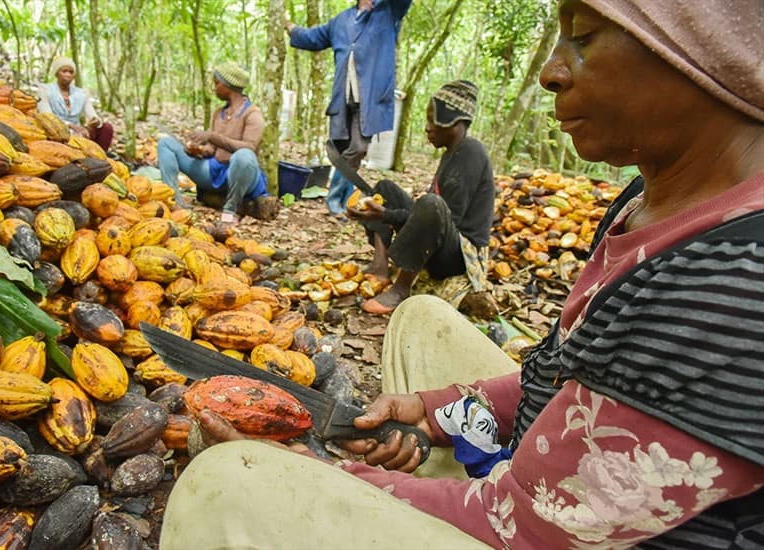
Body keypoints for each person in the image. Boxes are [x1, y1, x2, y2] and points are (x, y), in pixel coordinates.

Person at [160, 0, 764, 547]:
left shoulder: (731, 285)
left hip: (535, 529)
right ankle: (456, 467)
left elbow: (523, 526)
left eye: (583, 35)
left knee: (227, 487)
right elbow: (554, 374)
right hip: (548, 478)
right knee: (421, 319)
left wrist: (320, 475)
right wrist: (431, 412)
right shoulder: (648, 198)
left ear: (707, 60)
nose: (551, 71)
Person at [348, 80, 494, 315]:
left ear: (453, 121)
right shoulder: (451, 153)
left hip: (459, 256)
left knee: (430, 204)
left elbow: (443, 218)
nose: (427, 128)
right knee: (385, 189)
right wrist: (384, 212)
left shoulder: (470, 152)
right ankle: (380, 264)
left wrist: (386, 215)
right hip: (442, 236)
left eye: (432, 119)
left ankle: (401, 288)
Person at [285, 0, 412, 218]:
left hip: (371, 100)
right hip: (343, 99)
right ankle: (345, 202)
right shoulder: (341, 20)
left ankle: (334, 201)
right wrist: (289, 27)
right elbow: (313, 37)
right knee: (344, 153)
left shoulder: (388, 11)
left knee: (358, 148)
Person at [157, 61, 275, 221]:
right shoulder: (219, 113)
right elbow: (212, 150)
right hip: (214, 172)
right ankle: (173, 202)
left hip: (243, 176)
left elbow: (250, 147)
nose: (214, 88)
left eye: (217, 83)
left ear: (228, 85)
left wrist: (212, 136)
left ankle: (230, 209)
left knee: (244, 156)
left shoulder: (253, 114)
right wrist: (198, 151)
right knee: (166, 144)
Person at [37, 57, 115, 151]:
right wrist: (71, 126)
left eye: (71, 72)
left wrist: (96, 121)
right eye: (64, 71)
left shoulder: (81, 93)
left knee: (106, 128)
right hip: (55, 132)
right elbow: (46, 116)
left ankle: (100, 158)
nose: (68, 74)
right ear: (57, 73)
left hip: (79, 133)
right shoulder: (45, 90)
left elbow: (91, 114)